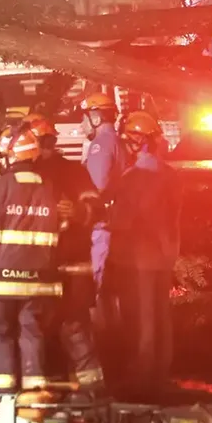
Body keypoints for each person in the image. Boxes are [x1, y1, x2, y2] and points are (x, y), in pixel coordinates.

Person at [0, 123, 66, 409]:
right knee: (33, 333)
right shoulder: (53, 191)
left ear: (9, 156)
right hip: (39, 280)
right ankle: (35, 392)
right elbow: (64, 229)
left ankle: (0, 394)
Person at [25, 113, 107, 397]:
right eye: (39, 141)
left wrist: (77, 212)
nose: (45, 147)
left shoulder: (73, 172)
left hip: (71, 266)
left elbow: (97, 209)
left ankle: (91, 390)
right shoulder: (23, 175)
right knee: (35, 329)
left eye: (48, 140)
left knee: (74, 327)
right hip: (37, 267)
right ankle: (44, 388)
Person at [104, 110, 182, 403]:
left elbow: (124, 219)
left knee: (140, 322)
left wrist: (103, 222)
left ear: (137, 142)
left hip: (136, 258)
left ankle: (140, 383)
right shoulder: (170, 174)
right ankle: (158, 377)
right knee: (160, 319)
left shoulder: (134, 177)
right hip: (163, 256)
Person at [78, 93, 124, 295]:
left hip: (101, 225)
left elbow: (96, 187)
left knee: (98, 280)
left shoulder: (101, 144)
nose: (82, 125)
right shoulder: (117, 141)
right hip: (115, 222)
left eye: (84, 118)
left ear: (96, 118)